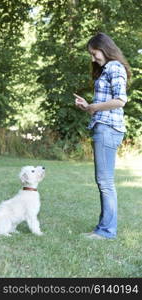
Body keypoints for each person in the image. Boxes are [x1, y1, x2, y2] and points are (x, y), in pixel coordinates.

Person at [74, 32, 131, 239]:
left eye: (94, 52)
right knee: (103, 181)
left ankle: (106, 231)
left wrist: (94, 107)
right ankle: (104, 227)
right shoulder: (107, 69)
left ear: (104, 48)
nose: (93, 58)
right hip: (104, 126)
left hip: (108, 128)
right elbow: (105, 103)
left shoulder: (115, 67)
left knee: (105, 182)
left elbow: (120, 100)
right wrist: (87, 106)